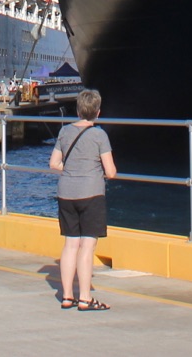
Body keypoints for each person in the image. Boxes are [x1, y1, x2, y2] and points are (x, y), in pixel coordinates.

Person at [49, 88, 116, 311]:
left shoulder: (65, 131)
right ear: (98, 112)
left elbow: (54, 163)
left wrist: (72, 170)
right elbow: (111, 171)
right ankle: (86, 298)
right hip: (91, 194)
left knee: (70, 244)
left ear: (78, 110)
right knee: (87, 246)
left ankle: (67, 296)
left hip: (66, 193)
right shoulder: (99, 135)